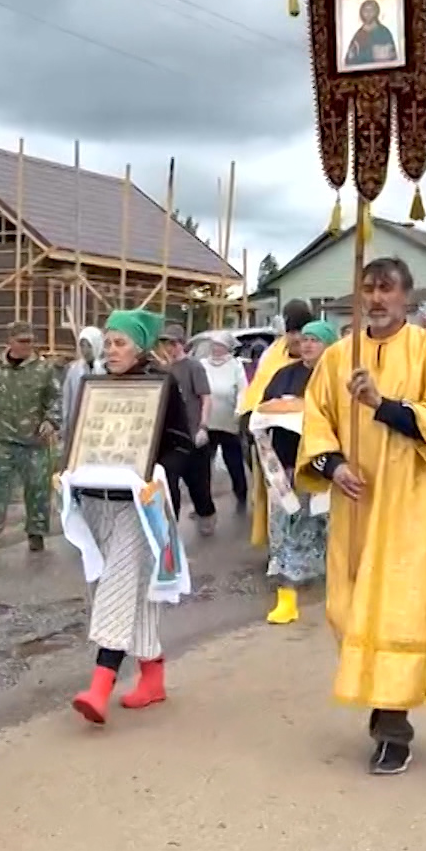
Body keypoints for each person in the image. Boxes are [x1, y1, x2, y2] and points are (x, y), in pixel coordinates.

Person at [295, 257, 426, 776]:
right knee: (352, 611)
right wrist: (333, 464)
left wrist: (382, 402)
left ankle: (393, 727)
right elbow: (316, 418)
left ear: (406, 297)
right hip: (357, 504)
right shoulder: (336, 357)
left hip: (411, 505)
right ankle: (380, 703)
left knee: (398, 610)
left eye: (386, 289)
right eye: (367, 288)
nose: (376, 298)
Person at [63, 309, 195, 725]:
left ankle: (99, 688)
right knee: (119, 587)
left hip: (139, 505)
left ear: (139, 347)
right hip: (97, 501)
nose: (112, 349)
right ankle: (152, 677)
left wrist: (158, 477)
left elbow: (181, 445)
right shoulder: (96, 385)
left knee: (117, 585)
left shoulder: (161, 385)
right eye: (108, 342)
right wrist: (69, 472)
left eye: (120, 342)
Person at [252, 319, 339, 624]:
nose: (308, 345)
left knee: (330, 533)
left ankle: (339, 598)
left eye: (315, 339)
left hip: (327, 467)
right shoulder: (285, 374)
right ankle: (286, 600)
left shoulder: (337, 377)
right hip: (287, 464)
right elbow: (263, 408)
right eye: (304, 339)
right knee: (285, 531)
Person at [0, 322, 60, 553]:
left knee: (37, 488)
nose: (27, 346)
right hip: (0, 438)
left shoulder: (44, 369)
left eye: (30, 341)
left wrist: (51, 420)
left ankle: (36, 533)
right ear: (9, 341)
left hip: (33, 441)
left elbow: (56, 399)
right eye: (22, 341)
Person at [241, 301, 314, 552]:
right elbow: (258, 394)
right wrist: (250, 420)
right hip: (277, 447)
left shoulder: (327, 360)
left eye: (303, 333)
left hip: (314, 449)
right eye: (292, 332)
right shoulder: (272, 357)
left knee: (312, 507)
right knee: (280, 503)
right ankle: (280, 552)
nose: (298, 340)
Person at [155, 323, 215, 531]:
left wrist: (203, 427)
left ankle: (206, 514)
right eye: (165, 343)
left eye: (172, 343)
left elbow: (205, 398)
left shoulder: (194, 367)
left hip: (194, 435)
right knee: (170, 485)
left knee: (199, 486)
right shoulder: (163, 370)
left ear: (181, 344)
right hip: (175, 439)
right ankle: (171, 527)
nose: (168, 347)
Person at [199, 330, 251, 512]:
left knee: (234, 461)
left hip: (229, 422)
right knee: (203, 465)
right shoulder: (203, 364)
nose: (215, 349)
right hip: (207, 421)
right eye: (213, 345)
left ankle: (241, 495)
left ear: (227, 348)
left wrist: (239, 411)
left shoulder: (235, 366)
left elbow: (243, 390)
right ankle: (202, 502)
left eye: (219, 345)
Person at [60, 325, 105, 433]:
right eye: (82, 346)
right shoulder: (74, 370)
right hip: (77, 422)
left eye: (89, 346)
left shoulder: (106, 369)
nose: (85, 350)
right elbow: (67, 399)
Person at [343, 0, 399, 67]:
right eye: (365, 10)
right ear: (361, 13)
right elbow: (350, 59)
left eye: (371, 10)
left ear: (376, 12)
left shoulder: (384, 32)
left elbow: (392, 57)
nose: (368, 13)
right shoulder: (358, 34)